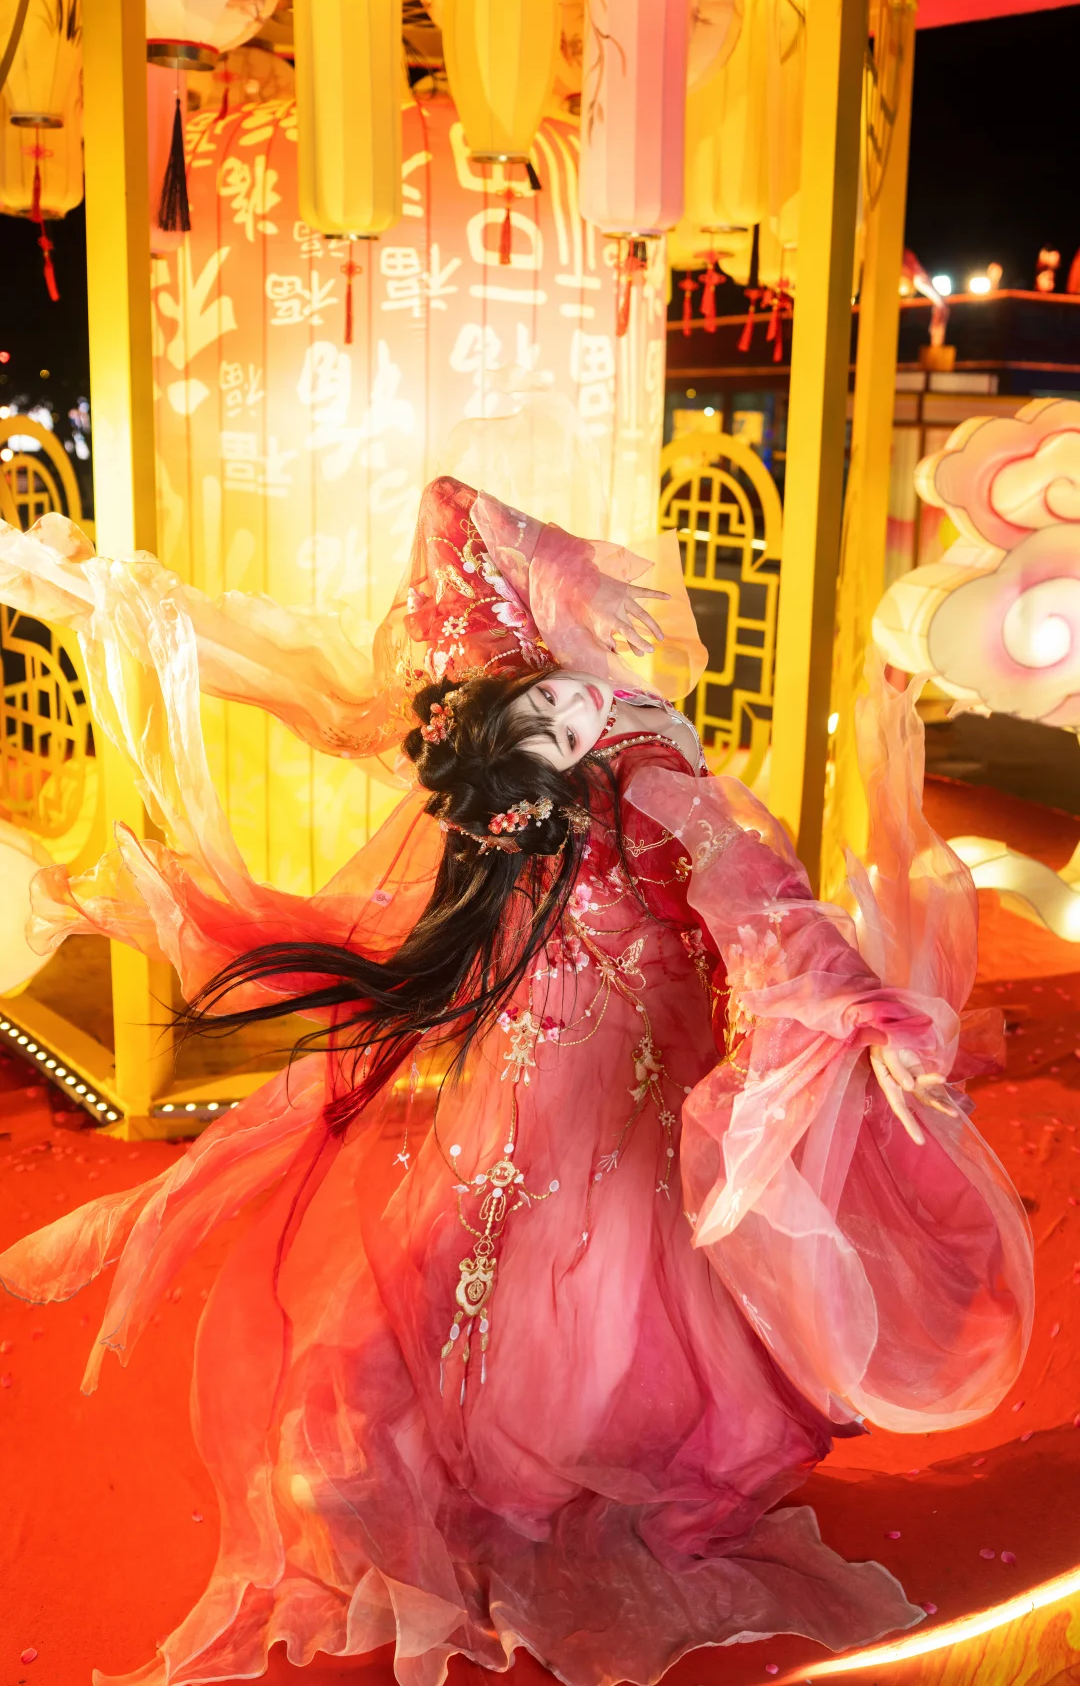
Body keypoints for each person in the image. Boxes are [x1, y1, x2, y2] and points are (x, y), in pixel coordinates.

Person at [0, 477, 1032, 1686]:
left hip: (547, 1041)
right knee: (586, 1253)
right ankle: (565, 1455)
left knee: (531, 1241)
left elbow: (751, 894)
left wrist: (109, 594)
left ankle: (523, 1449)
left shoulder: (522, 728)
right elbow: (759, 896)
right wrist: (864, 1010)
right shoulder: (617, 741)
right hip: (611, 1047)